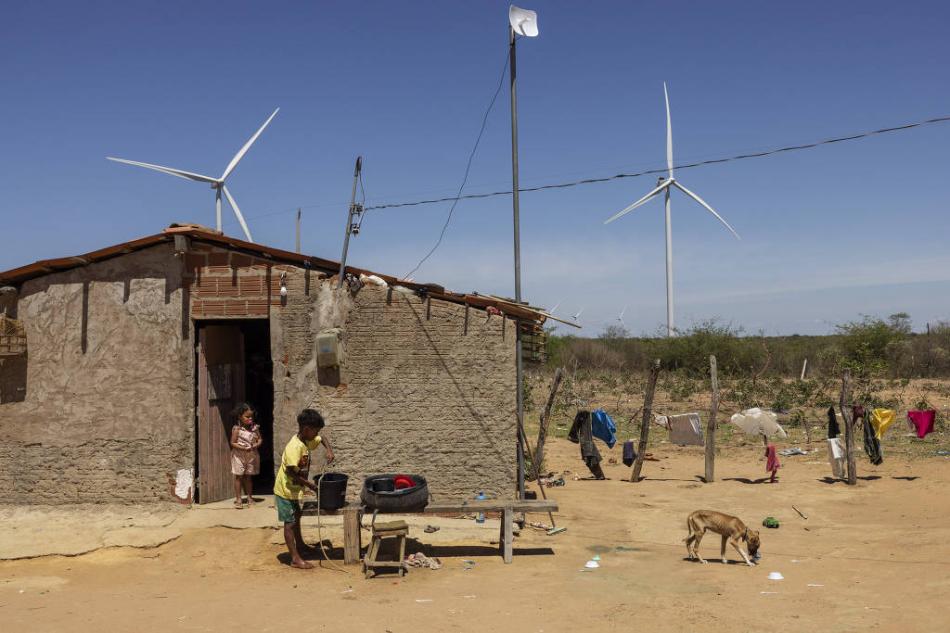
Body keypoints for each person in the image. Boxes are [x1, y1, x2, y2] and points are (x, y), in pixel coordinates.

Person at [273, 408, 335, 569]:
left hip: (294, 490)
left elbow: (323, 438)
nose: (317, 434)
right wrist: (310, 486)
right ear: (307, 429)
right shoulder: (294, 448)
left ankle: (300, 546)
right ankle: (294, 558)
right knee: (290, 523)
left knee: (297, 516)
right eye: (316, 431)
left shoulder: (307, 440)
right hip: (285, 490)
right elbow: (290, 473)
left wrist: (329, 450)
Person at [230, 403, 262, 509]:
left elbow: (260, 439)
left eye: (251, 416)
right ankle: (239, 499)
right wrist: (243, 448)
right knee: (238, 476)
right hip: (239, 456)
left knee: (248, 477)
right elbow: (233, 442)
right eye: (247, 416)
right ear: (240, 416)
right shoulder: (237, 429)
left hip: (251, 455)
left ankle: (249, 498)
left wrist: (256, 445)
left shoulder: (254, 428)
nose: (250, 418)